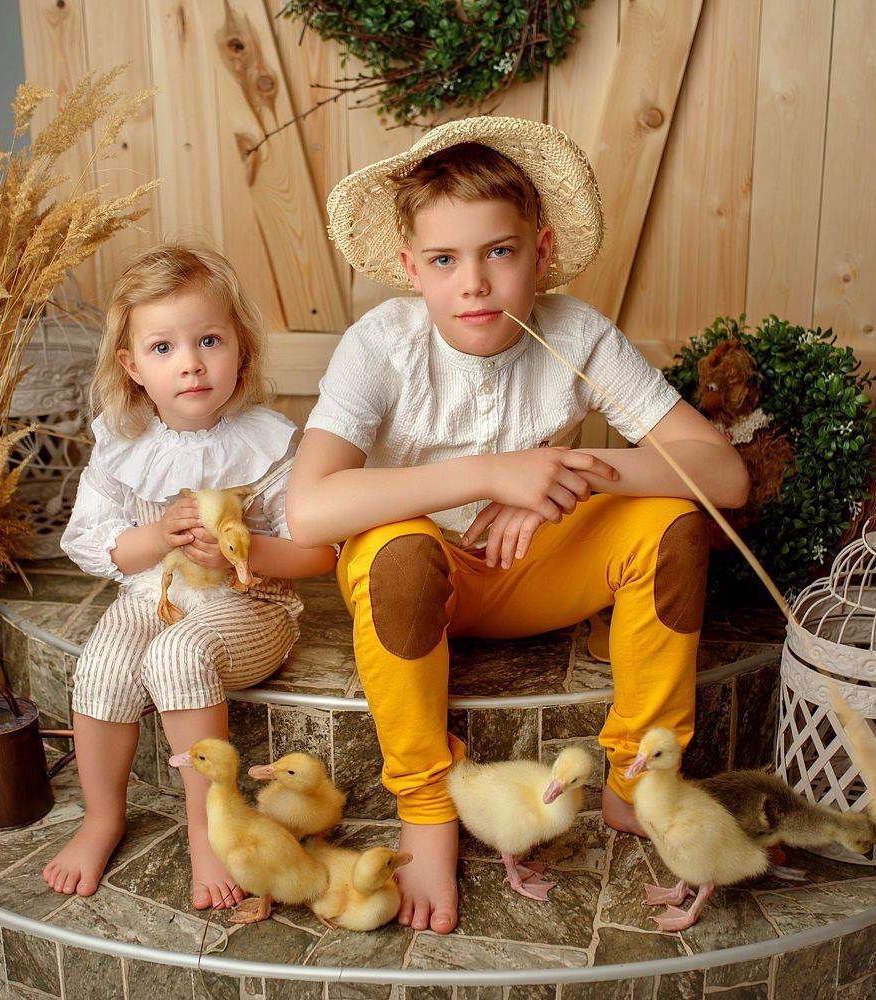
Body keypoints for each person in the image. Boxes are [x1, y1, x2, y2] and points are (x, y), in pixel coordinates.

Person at [286, 117, 750, 934]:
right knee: (394, 549)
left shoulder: (576, 333)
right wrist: (489, 473)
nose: (474, 283)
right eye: (444, 260)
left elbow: (724, 475)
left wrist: (559, 477)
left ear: (539, 252)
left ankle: (637, 781)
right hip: (422, 588)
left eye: (498, 252)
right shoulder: (381, 346)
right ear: (411, 270)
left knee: (673, 521)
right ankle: (427, 808)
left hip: (538, 570)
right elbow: (308, 509)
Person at [47, 243, 337, 908]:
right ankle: (102, 817)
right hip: (153, 595)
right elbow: (90, 543)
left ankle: (209, 831)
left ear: (241, 349)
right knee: (103, 667)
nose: (191, 363)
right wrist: (156, 537)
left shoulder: (269, 443)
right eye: (163, 348)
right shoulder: (122, 444)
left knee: (176, 655)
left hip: (251, 605)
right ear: (133, 366)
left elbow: (318, 554)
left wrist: (243, 553)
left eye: (209, 340)